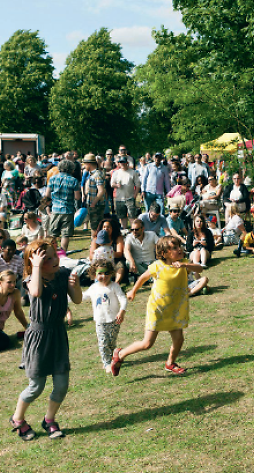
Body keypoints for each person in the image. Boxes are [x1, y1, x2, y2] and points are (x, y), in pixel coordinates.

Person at [10, 239, 83, 440]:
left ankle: (49, 420)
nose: (54, 260)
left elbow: (77, 299)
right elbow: (35, 292)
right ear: (36, 263)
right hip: (39, 337)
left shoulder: (63, 275)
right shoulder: (30, 279)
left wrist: (75, 286)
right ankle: (18, 419)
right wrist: (35, 267)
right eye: (47, 258)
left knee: (61, 384)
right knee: (36, 386)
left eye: (54, 255)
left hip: (58, 333)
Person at [111, 236, 204, 376]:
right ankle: (120, 353)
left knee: (179, 339)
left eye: (179, 246)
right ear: (164, 253)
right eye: (174, 248)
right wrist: (133, 290)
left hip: (175, 310)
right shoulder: (158, 266)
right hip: (158, 310)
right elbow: (143, 277)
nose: (179, 249)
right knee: (147, 344)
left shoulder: (184, 263)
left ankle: (170, 363)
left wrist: (186, 265)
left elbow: (199, 269)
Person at [81, 260, 127, 373]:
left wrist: (122, 311)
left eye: (106, 273)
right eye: (100, 273)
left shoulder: (114, 286)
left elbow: (123, 298)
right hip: (100, 321)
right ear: (94, 275)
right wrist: (68, 294)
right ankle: (106, 363)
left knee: (111, 342)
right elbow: (82, 297)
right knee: (103, 343)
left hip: (114, 320)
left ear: (111, 273)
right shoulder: (94, 288)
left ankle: (113, 358)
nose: (104, 276)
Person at [45, 160, 81, 253]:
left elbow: (47, 194)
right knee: (65, 234)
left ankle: (50, 252)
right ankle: (63, 253)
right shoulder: (74, 180)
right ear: (72, 169)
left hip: (55, 209)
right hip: (68, 210)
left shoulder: (52, 179)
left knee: (52, 234)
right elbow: (77, 197)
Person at [0, 270, 29, 353]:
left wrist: (27, 327)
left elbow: (18, 312)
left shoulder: (15, 293)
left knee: (5, 341)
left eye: (14, 282)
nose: (13, 285)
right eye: (9, 282)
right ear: (0, 283)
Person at [111, 156, 141, 229]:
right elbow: (112, 184)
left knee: (132, 217)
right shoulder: (116, 173)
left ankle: (133, 231)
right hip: (119, 198)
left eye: (124, 162)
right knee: (122, 217)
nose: (122, 164)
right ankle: (124, 231)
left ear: (127, 163)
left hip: (130, 198)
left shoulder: (132, 172)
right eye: (121, 162)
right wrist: (117, 185)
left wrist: (135, 196)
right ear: (118, 164)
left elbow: (138, 185)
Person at [82, 153, 106, 240]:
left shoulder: (97, 174)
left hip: (96, 205)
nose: (84, 166)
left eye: (84, 164)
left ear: (88, 164)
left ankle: (95, 245)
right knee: (94, 226)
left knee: (95, 228)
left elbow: (101, 191)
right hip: (93, 204)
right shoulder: (92, 174)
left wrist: (93, 203)